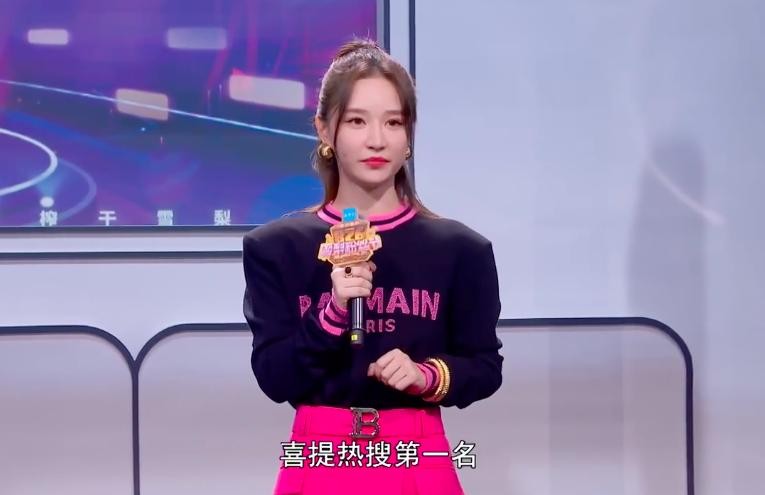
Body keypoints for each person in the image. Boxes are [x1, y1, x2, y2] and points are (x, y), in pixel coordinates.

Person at [242, 38, 503, 495]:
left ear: (409, 137)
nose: (377, 140)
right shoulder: (277, 247)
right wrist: (332, 314)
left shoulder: (460, 250)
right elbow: (275, 377)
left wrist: (426, 375)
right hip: (319, 456)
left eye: (393, 122)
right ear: (325, 131)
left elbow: (484, 367)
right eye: (357, 121)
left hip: (418, 455)